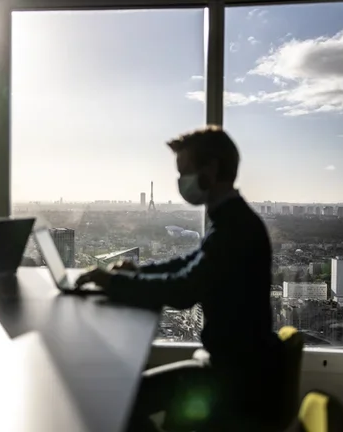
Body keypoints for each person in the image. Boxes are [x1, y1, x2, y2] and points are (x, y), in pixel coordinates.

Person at [76, 126, 283, 431]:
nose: (180, 183)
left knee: (119, 400)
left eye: (184, 172)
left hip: (234, 381)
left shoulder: (233, 229)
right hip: (240, 371)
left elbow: (185, 289)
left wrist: (112, 283)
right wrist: (138, 272)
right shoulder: (232, 220)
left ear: (210, 170)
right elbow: (189, 263)